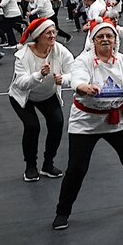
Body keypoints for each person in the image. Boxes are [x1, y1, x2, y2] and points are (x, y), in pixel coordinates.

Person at [53, 19, 123, 229]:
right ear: (94, 40)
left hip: (119, 120)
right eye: (101, 36)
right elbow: (77, 79)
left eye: (109, 36)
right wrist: (84, 87)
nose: (105, 39)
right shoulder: (84, 61)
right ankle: (62, 212)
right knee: (77, 169)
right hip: (86, 122)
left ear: (115, 40)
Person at [9, 19, 73, 182]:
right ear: (38, 36)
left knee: (57, 123)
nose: (53, 35)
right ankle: (30, 166)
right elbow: (21, 83)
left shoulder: (59, 50)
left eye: (54, 32)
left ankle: (48, 164)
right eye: (48, 33)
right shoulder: (23, 55)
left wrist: (64, 79)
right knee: (32, 126)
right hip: (23, 97)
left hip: (47, 95)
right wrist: (39, 75)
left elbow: (73, 71)